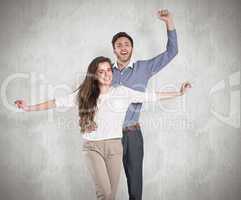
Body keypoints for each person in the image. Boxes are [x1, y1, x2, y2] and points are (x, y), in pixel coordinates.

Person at [15, 56, 191, 200]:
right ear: (94, 75)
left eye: (109, 70)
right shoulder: (84, 94)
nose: (107, 74)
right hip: (93, 148)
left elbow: (151, 96)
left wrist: (178, 92)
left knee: (110, 196)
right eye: (101, 71)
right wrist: (29, 107)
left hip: (115, 147)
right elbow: (56, 102)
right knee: (105, 194)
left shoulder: (122, 92)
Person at [85, 9, 178, 200]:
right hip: (108, 137)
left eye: (127, 44)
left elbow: (172, 52)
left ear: (132, 48)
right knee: (108, 190)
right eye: (119, 45)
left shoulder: (144, 68)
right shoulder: (105, 72)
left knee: (135, 186)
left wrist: (169, 22)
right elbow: (89, 97)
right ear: (114, 50)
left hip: (132, 135)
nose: (123, 47)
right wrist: (89, 119)